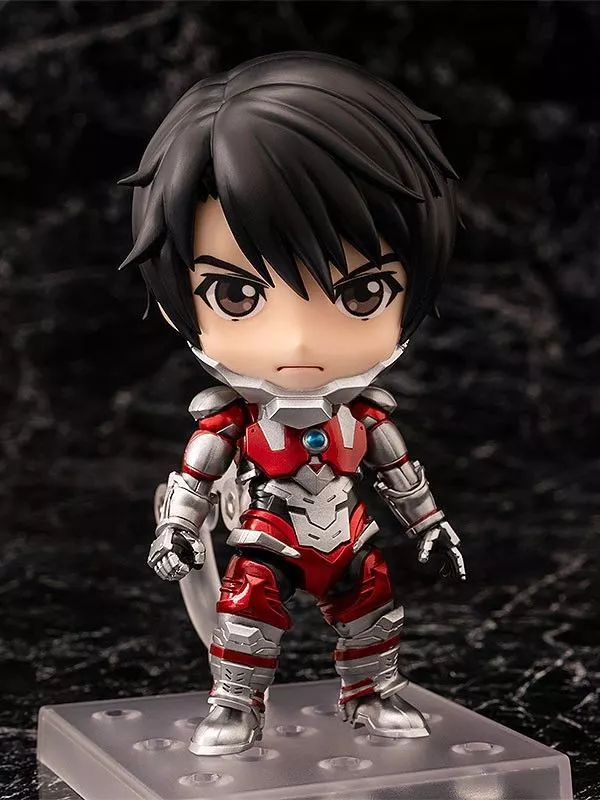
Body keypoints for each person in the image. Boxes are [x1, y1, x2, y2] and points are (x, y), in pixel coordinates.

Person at [120, 51, 466, 757]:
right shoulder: (230, 417)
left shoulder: (365, 414)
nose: (299, 341)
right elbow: (195, 477)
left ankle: (372, 692)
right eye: (236, 294)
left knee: (371, 608)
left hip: (348, 529)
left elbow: (400, 474)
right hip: (268, 530)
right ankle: (235, 704)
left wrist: (430, 523)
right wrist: (177, 529)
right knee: (248, 614)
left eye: (362, 292)